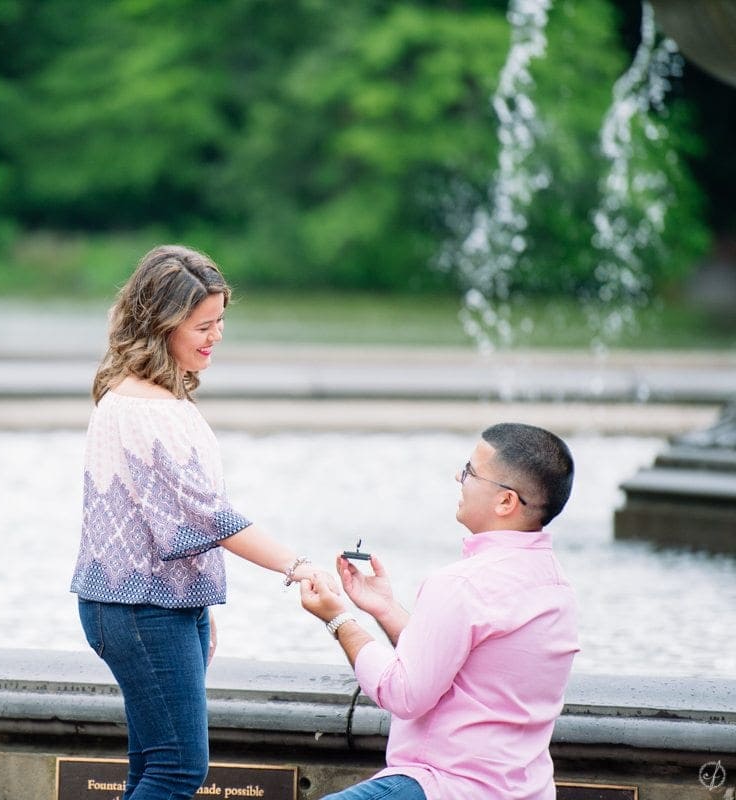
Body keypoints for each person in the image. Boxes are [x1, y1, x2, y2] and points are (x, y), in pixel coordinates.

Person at [71, 244, 335, 800]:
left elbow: (174, 521)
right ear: (161, 325)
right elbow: (208, 516)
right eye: (203, 325)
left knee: (150, 766)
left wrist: (195, 607)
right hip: (140, 608)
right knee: (178, 769)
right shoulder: (144, 408)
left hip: (157, 604)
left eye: (220, 322)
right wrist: (297, 564)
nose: (216, 337)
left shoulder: (151, 396)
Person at [300, 422, 579, 800]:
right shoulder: (557, 587)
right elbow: (456, 665)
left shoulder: (462, 584)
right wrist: (384, 608)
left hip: (443, 786)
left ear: (505, 502)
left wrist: (339, 619)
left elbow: (403, 693)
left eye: (469, 471)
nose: (458, 478)